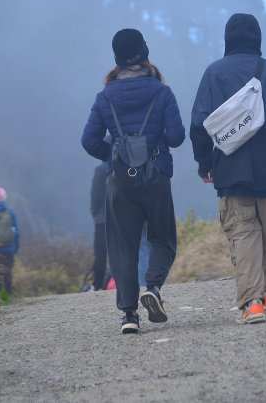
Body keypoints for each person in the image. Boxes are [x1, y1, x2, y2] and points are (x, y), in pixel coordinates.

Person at [190, 13, 266, 324]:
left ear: (227, 40)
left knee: (244, 234)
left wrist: (205, 164)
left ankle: (253, 304)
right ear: (258, 39)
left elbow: (198, 124)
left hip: (232, 171)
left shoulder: (214, 74)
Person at [81, 28, 185, 335]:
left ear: (116, 58)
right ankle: (152, 286)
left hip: (121, 181)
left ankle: (129, 315)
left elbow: (89, 140)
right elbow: (177, 137)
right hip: (156, 176)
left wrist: (114, 158)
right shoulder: (161, 92)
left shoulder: (105, 97)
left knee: (122, 247)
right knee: (163, 238)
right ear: (145, 52)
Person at [89, 163, 109, 290]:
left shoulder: (101, 169)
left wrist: (95, 212)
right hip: (121, 218)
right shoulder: (124, 165)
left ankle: (98, 284)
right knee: (121, 252)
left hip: (102, 218)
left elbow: (95, 193)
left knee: (100, 253)